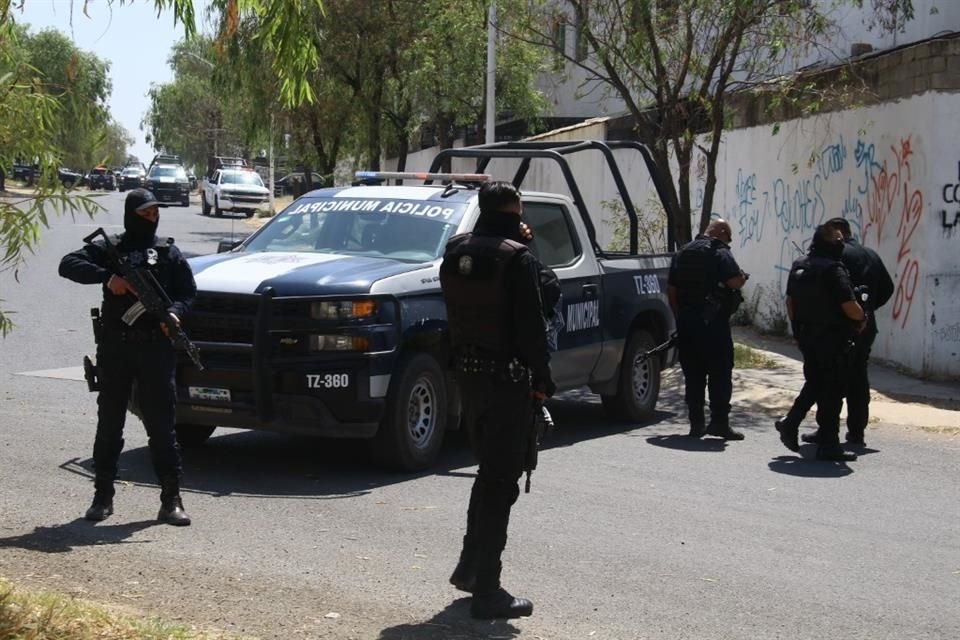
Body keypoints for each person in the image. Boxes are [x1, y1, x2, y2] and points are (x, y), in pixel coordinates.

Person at [439, 181, 555, 620]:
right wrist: (544, 380)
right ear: (515, 210)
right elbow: (532, 325)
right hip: (508, 382)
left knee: (488, 474)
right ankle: (488, 589)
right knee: (501, 480)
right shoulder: (517, 258)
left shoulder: (456, 250)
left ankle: (471, 570)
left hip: (470, 378)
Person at [58, 188, 197, 525]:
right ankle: (102, 496)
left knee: (163, 426)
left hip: (156, 349)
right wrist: (109, 279)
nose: (152, 218)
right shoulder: (110, 249)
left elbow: (188, 292)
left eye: (155, 213)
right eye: (145, 213)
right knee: (110, 424)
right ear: (132, 214)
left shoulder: (167, 251)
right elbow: (68, 264)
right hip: (117, 348)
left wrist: (176, 314)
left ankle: (171, 499)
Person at [775, 217, 894, 447]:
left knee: (824, 381)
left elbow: (791, 301)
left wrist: (798, 331)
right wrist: (864, 312)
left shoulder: (808, 262)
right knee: (850, 379)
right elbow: (886, 289)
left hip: (821, 331)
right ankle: (852, 433)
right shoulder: (866, 256)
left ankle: (819, 430)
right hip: (849, 329)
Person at [778, 223, 866, 461]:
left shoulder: (800, 265)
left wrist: (798, 332)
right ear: (828, 243)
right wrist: (862, 317)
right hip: (832, 338)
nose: (841, 245)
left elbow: (790, 303)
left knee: (816, 383)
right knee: (832, 390)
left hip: (808, 337)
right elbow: (849, 306)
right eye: (838, 241)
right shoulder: (833, 270)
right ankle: (828, 444)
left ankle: (791, 421)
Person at [667, 218, 748, 440]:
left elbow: (671, 290)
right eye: (728, 237)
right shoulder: (719, 252)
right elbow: (734, 282)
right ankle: (719, 422)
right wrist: (742, 277)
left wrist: (680, 317)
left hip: (688, 324)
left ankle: (696, 424)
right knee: (720, 373)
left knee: (693, 375)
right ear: (720, 232)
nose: (728, 242)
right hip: (713, 325)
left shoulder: (683, 252)